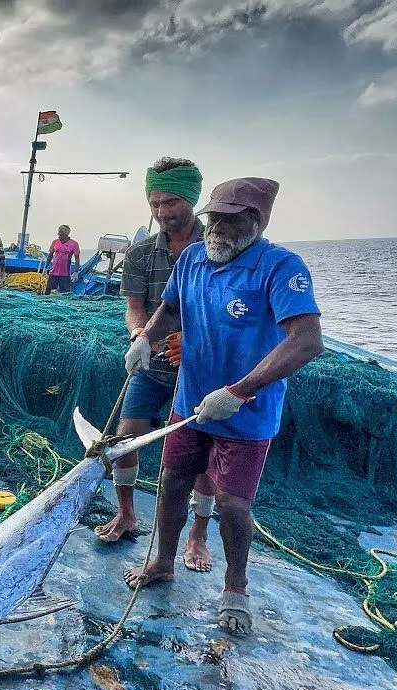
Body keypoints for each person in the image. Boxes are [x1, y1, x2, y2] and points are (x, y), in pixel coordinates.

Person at [121, 177, 324, 636]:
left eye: (230, 220)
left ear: (257, 220)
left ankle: (236, 588)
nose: (216, 228)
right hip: (190, 399)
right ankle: (163, 562)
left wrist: (240, 391)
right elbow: (171, 309)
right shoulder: (192, 257)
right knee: (173, 480)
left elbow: (307, 341)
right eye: (214, 218)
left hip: (246, 412)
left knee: (233, 504)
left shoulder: (280, 268)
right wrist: (146, 339)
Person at [96, 157, 218, 578]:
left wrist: (197, 343)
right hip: (151, 365)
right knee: (126, 438)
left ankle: (198, 534)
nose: (163, 211)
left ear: (192, 199)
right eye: (155, 202)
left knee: (199, 456)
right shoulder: (141, 254)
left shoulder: (219, 248)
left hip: (203, 371)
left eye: (172, 202)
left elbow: (232, 313)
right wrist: (138, 338)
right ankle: (127, 513)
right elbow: (136, 308)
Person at [43, 224, 80, 294]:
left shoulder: (74, 244)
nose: (59, 235)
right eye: (58, 233)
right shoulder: (55, 242)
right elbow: (50, 255)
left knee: (65, 293)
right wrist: (45, 267)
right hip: (53, 273)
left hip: (65, 274)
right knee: (48, 291)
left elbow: (77, 258)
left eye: (61, 234)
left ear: (66, 235)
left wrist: (76, 272)